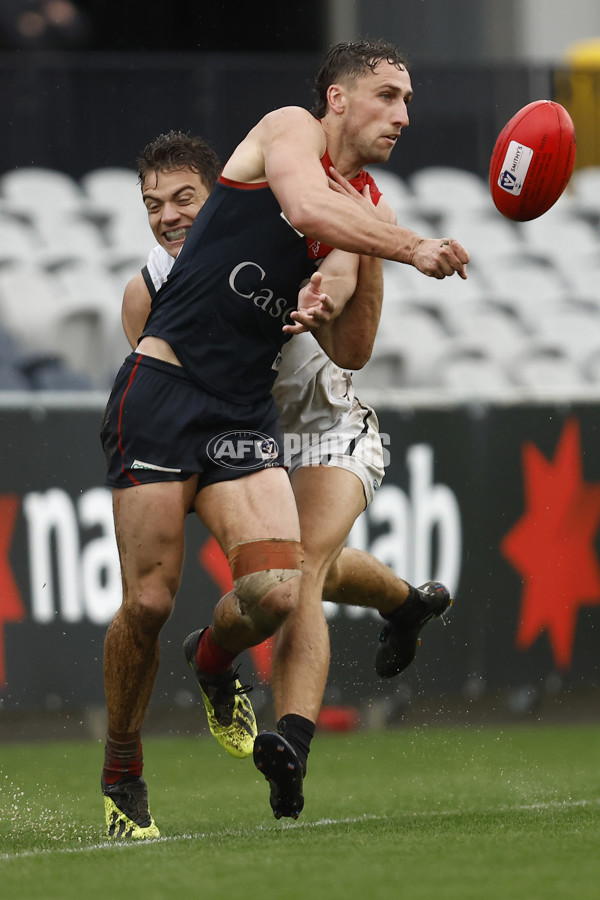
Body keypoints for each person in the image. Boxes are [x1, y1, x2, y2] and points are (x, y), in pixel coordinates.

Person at [101, 37, 469, 840]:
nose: (403, 115)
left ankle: (214, 662)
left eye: (408, 100)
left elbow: (348, 337)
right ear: (337, 99)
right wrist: (408, 247)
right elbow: (304, 209)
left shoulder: (358, 207)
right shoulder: (287, 133)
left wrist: (355, 272)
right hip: (167, 401)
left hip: (261, 418)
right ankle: (123, 766)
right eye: (387, 97)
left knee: (282, 587)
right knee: (151, 599)